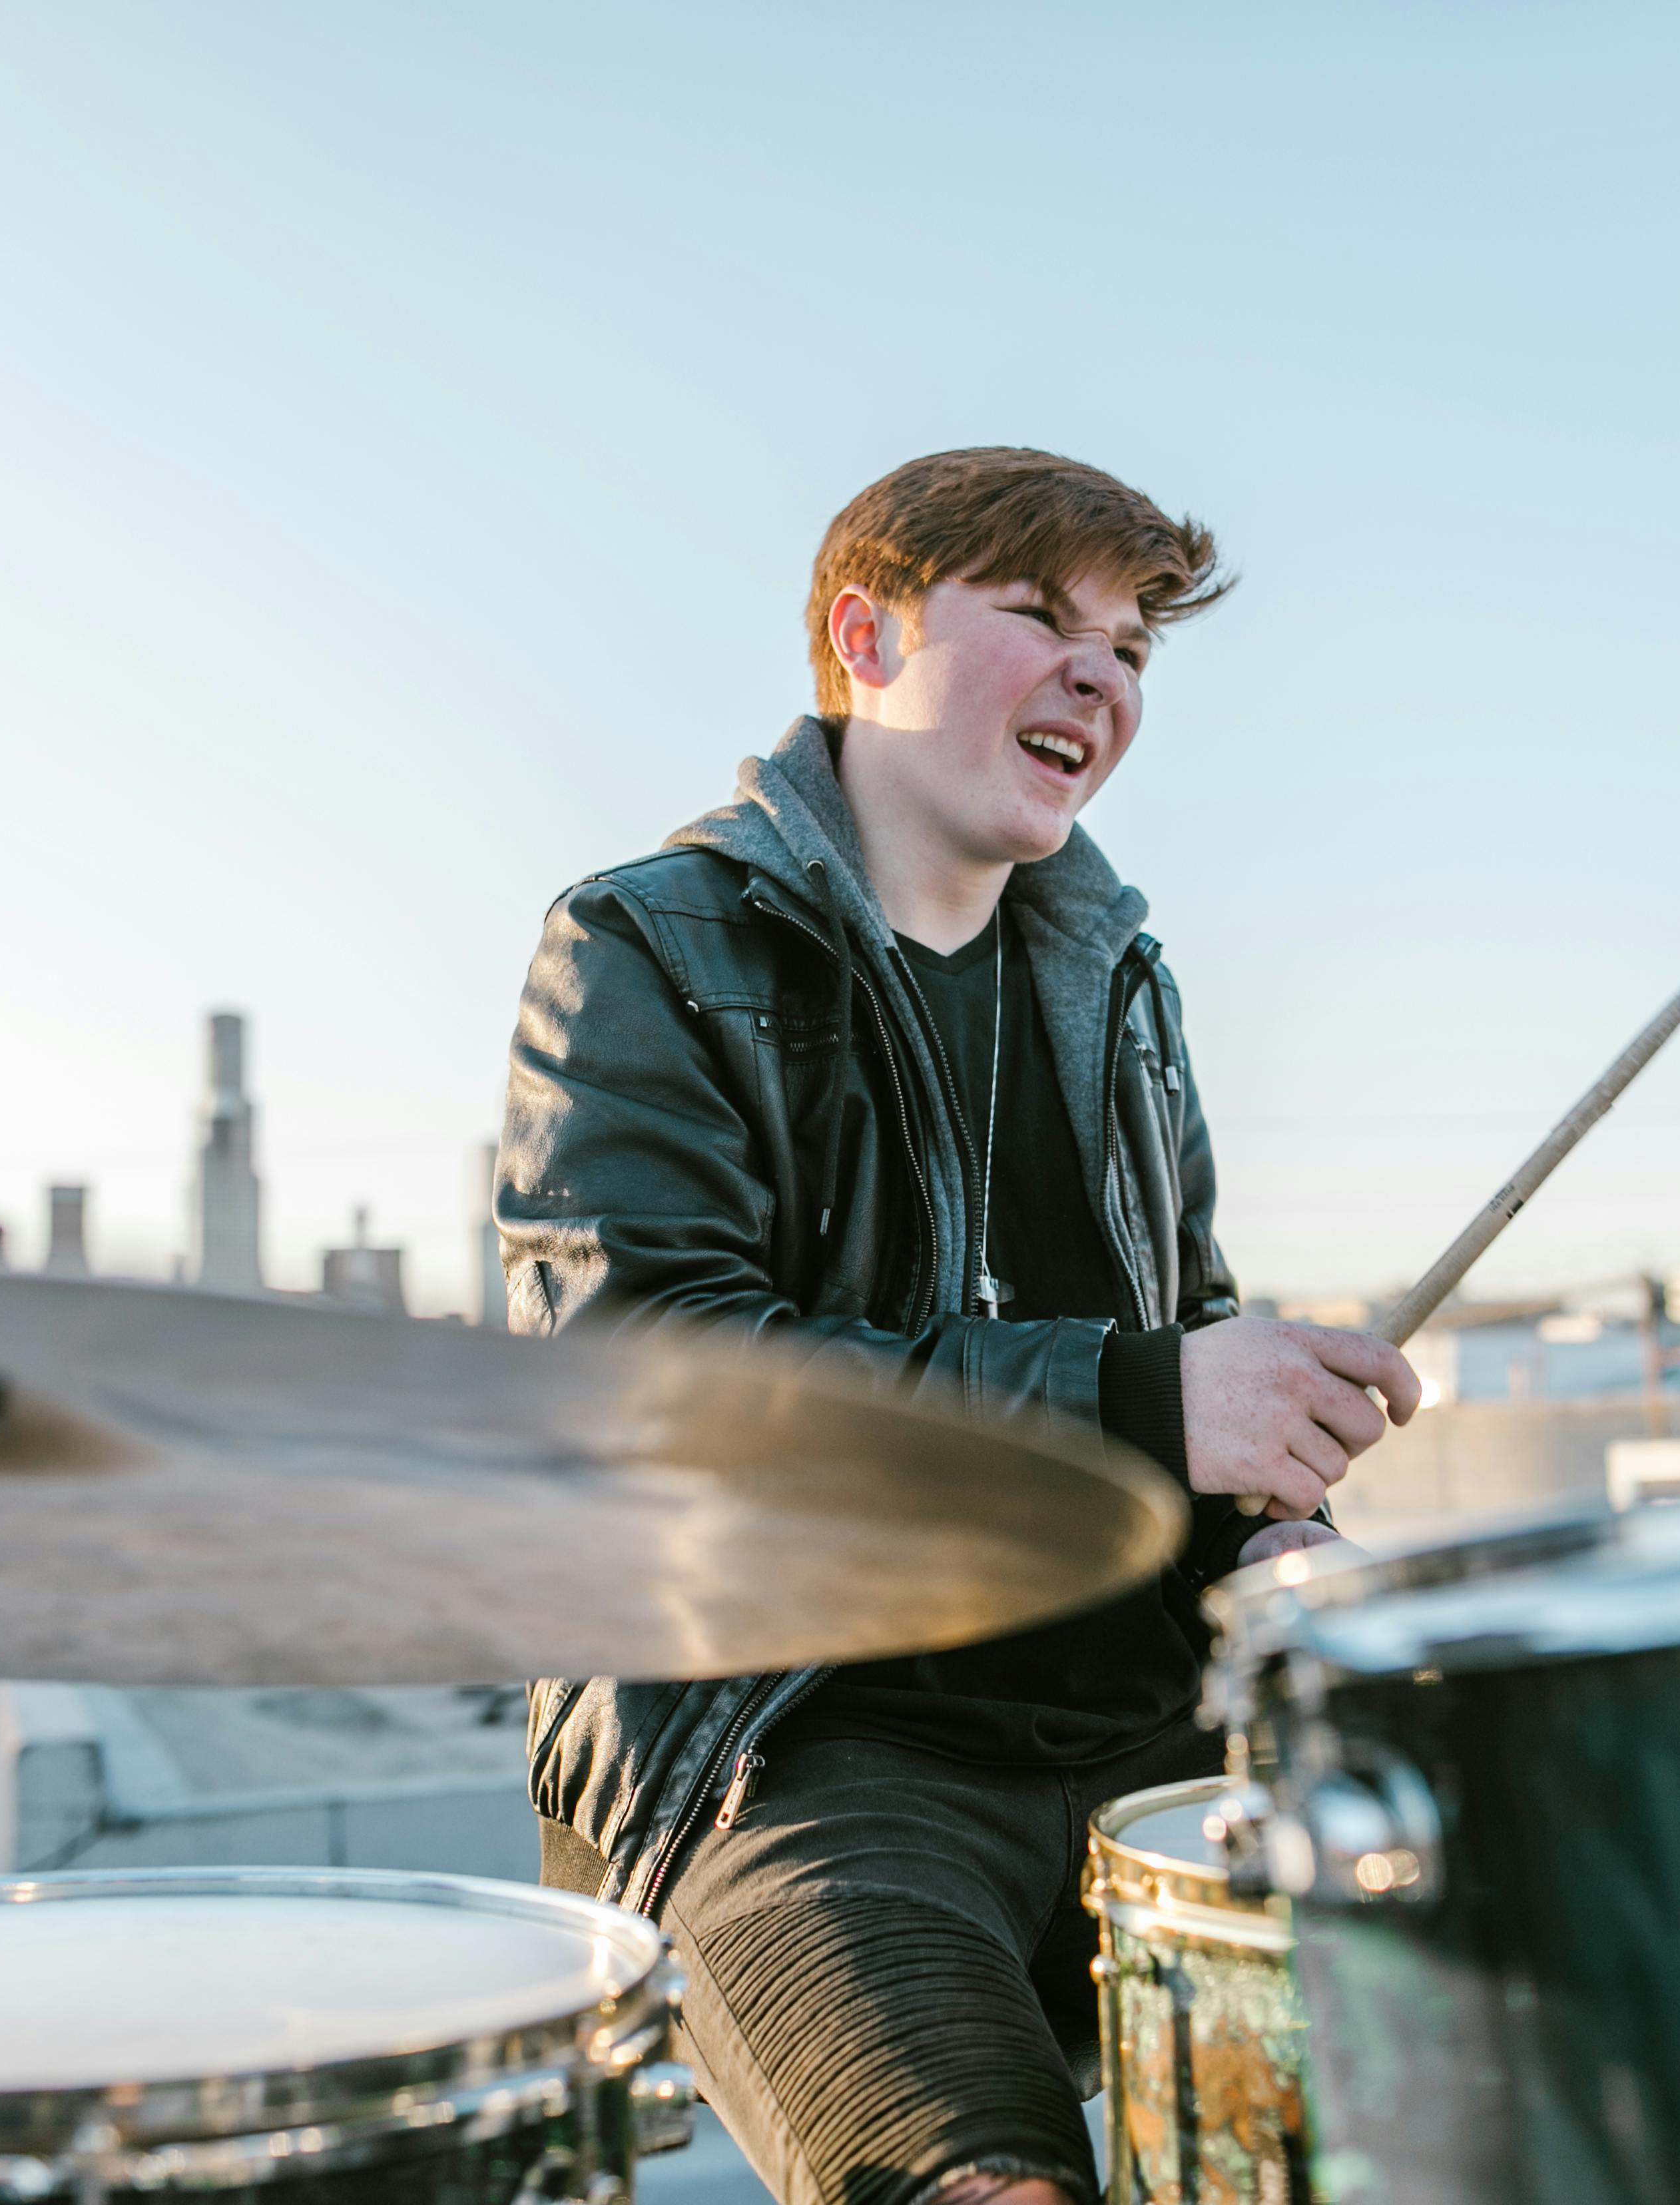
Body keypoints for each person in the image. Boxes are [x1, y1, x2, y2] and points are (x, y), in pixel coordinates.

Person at [497, 448, 1420, 2205]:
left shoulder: (1125, 985)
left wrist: (1274, 1498)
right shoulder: (643, 941)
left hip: (1148, 1716)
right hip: (798, 1755)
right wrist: (1154, 1396)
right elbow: (655, 1385)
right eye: (1042, 618)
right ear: (866, 633)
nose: (1108, 675)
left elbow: (1184, 1331)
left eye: (1136, 647)